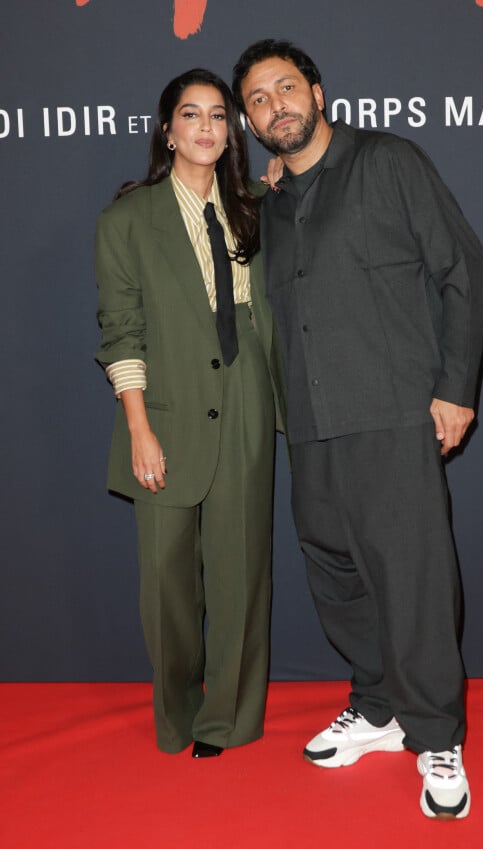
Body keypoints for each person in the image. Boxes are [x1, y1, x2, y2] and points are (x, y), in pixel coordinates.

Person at [233, 40, 483, 818]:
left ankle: (435, 731)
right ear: (250, 122)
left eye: (285, 87)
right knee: (336, 571)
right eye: (257, 100)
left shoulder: (388, 161)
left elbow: (463, 270)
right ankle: (378, 705)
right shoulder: (268, 201)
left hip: (391, 411)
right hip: (308, 421)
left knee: (411, 577)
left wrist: (455, 388)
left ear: (316, 90)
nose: (275, 105)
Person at [95, 68, 282, 758]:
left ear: (230, 131)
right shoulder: (126, 219)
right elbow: (121, 330)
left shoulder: (259, 203)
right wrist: (139, 428)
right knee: (167, 583)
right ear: (167, 129)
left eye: (218, 116)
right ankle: (175, 715)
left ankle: (228, 718)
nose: (206, 127)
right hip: (165, 407)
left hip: (246, 398)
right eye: (190, 114)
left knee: (240, 571)